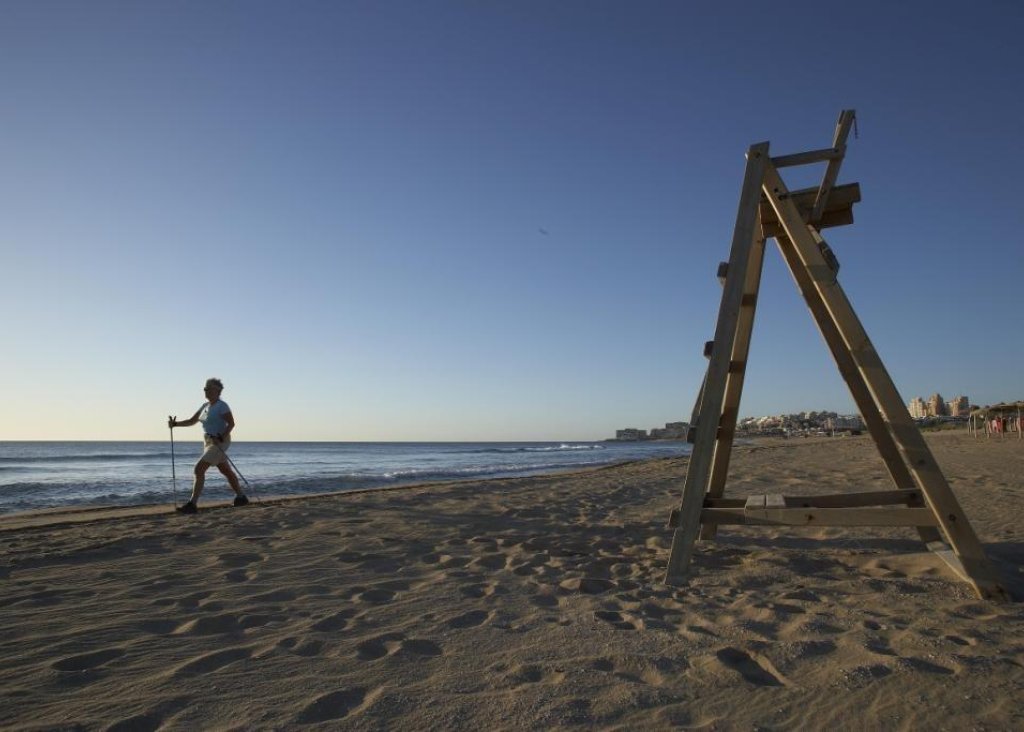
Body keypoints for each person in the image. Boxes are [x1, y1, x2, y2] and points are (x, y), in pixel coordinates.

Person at [168, 378, 248, 513]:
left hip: (219, 441)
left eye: (209, 388)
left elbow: (231, 424)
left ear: (218, 391)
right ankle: (241, 497)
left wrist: (221, 437)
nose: (206, 391)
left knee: (198, 469)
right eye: (205, 389)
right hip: (208, 442)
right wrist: (175, 424)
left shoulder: (222, 406)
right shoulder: (205, 406)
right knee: (225, 471)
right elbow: (192, 421)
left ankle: (192, 504)